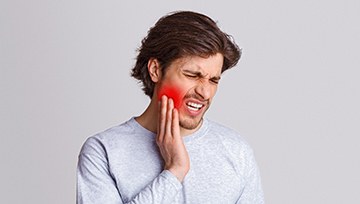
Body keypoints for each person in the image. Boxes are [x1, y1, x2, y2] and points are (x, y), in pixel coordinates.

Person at [77, 11, 264, 204]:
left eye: (213, 80)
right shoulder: (104, 151)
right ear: (155, 70)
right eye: (192, 75)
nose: (205, 93)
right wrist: (174, 172)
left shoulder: (236, 151)